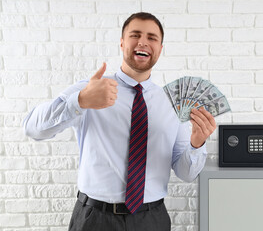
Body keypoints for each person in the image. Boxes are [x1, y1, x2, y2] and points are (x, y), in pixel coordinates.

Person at [23, 12, 216, 231]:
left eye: (152, 38)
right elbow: (32, 128)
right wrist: (79, 101)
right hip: (94, 219)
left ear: (160, 49)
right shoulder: (91, 89)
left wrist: (196, 144)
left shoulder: (173, 104)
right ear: (122, 43)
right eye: (135, 35)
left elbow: (187, 173)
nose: (143, 42)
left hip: (151, 220)